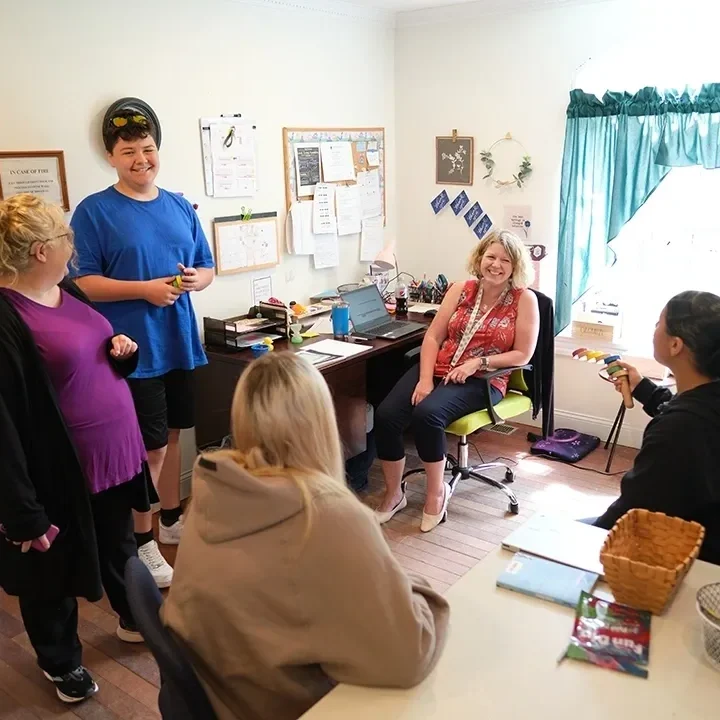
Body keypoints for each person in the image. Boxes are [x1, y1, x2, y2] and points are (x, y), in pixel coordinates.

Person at [162, 353, 449, 720]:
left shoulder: (212, 490)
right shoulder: (326, 515)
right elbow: (413, 653)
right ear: (321, 423)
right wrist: (400, 578)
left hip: (226, 698)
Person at [0, 194, 156, 703]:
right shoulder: (6, 319)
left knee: (120, 548)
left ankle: (136, 619)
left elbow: (90, 361)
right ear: (42, 250)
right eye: (66, 237)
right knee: (52, 572)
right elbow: (3, 426)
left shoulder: (66, 290)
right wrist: (21, 512)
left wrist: (121, 355)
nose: (74, 245)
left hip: (113, 456)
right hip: (60, 473)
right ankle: (59, 660)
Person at [71, 110, 215, 587]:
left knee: (174, 435)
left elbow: (207, 267)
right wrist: (144, 290)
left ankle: (171, 516)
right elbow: (82, 283)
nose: (141, 159)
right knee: (147, 449)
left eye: (147, 148)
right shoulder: (94, 211)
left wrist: (197, 279)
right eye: (128, 151)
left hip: (178, 343)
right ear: (111, 157)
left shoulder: (178, 205)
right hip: (133, 351)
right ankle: (143, 542)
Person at [374, 230, 540, 532]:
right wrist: (424, 379)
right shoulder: (460, 289)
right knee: (386, 415)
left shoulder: (524, 299)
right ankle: (394, 493)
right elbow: (434, 336)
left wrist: (480, 361)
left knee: (427, 415)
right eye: (490, 256)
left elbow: (523, 353)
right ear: (479, 259)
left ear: (515, 266)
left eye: (505, 260)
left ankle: (437, 493)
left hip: (483, 378)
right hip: (439, 368)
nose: (496, 265)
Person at [592, 291, 720, 564]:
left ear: (675, 345)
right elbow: (685, 408)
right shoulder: (705, 400)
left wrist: (582, 540)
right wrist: (642, 389)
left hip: (692, 553)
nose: (654, 330)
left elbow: (634, 512)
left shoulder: (678, 430)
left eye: (658, 323)